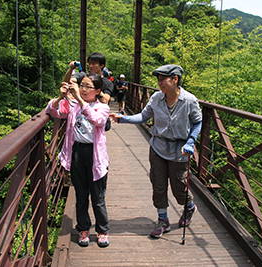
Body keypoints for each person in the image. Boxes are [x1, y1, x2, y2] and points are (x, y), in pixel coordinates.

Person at [109, 64, 202, 238]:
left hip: (179, 150)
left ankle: (188, 206)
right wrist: (124, 119)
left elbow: (197, 122)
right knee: (158, 186)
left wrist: (191, 141)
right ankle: (163, 220)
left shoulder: (189, 101)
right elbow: (144, 116)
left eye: (163, 80)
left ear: (175, 79)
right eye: (158, 80)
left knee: (179, 189)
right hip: (158, 147)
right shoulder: (156, 98)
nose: (159, 83)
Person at [45, 73, 110, 247]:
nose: (83, 89)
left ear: (97, 91)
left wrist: (81, 102)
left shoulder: (103, 107)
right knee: (81, 196)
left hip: (95, 155)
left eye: (88, 87)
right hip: (77, 153)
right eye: (81, 85)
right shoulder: (72, 105)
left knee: (97, 197)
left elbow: (97, 120)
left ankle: (102, 230)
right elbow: (51, 111)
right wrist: (60, 96)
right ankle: (83, 228)